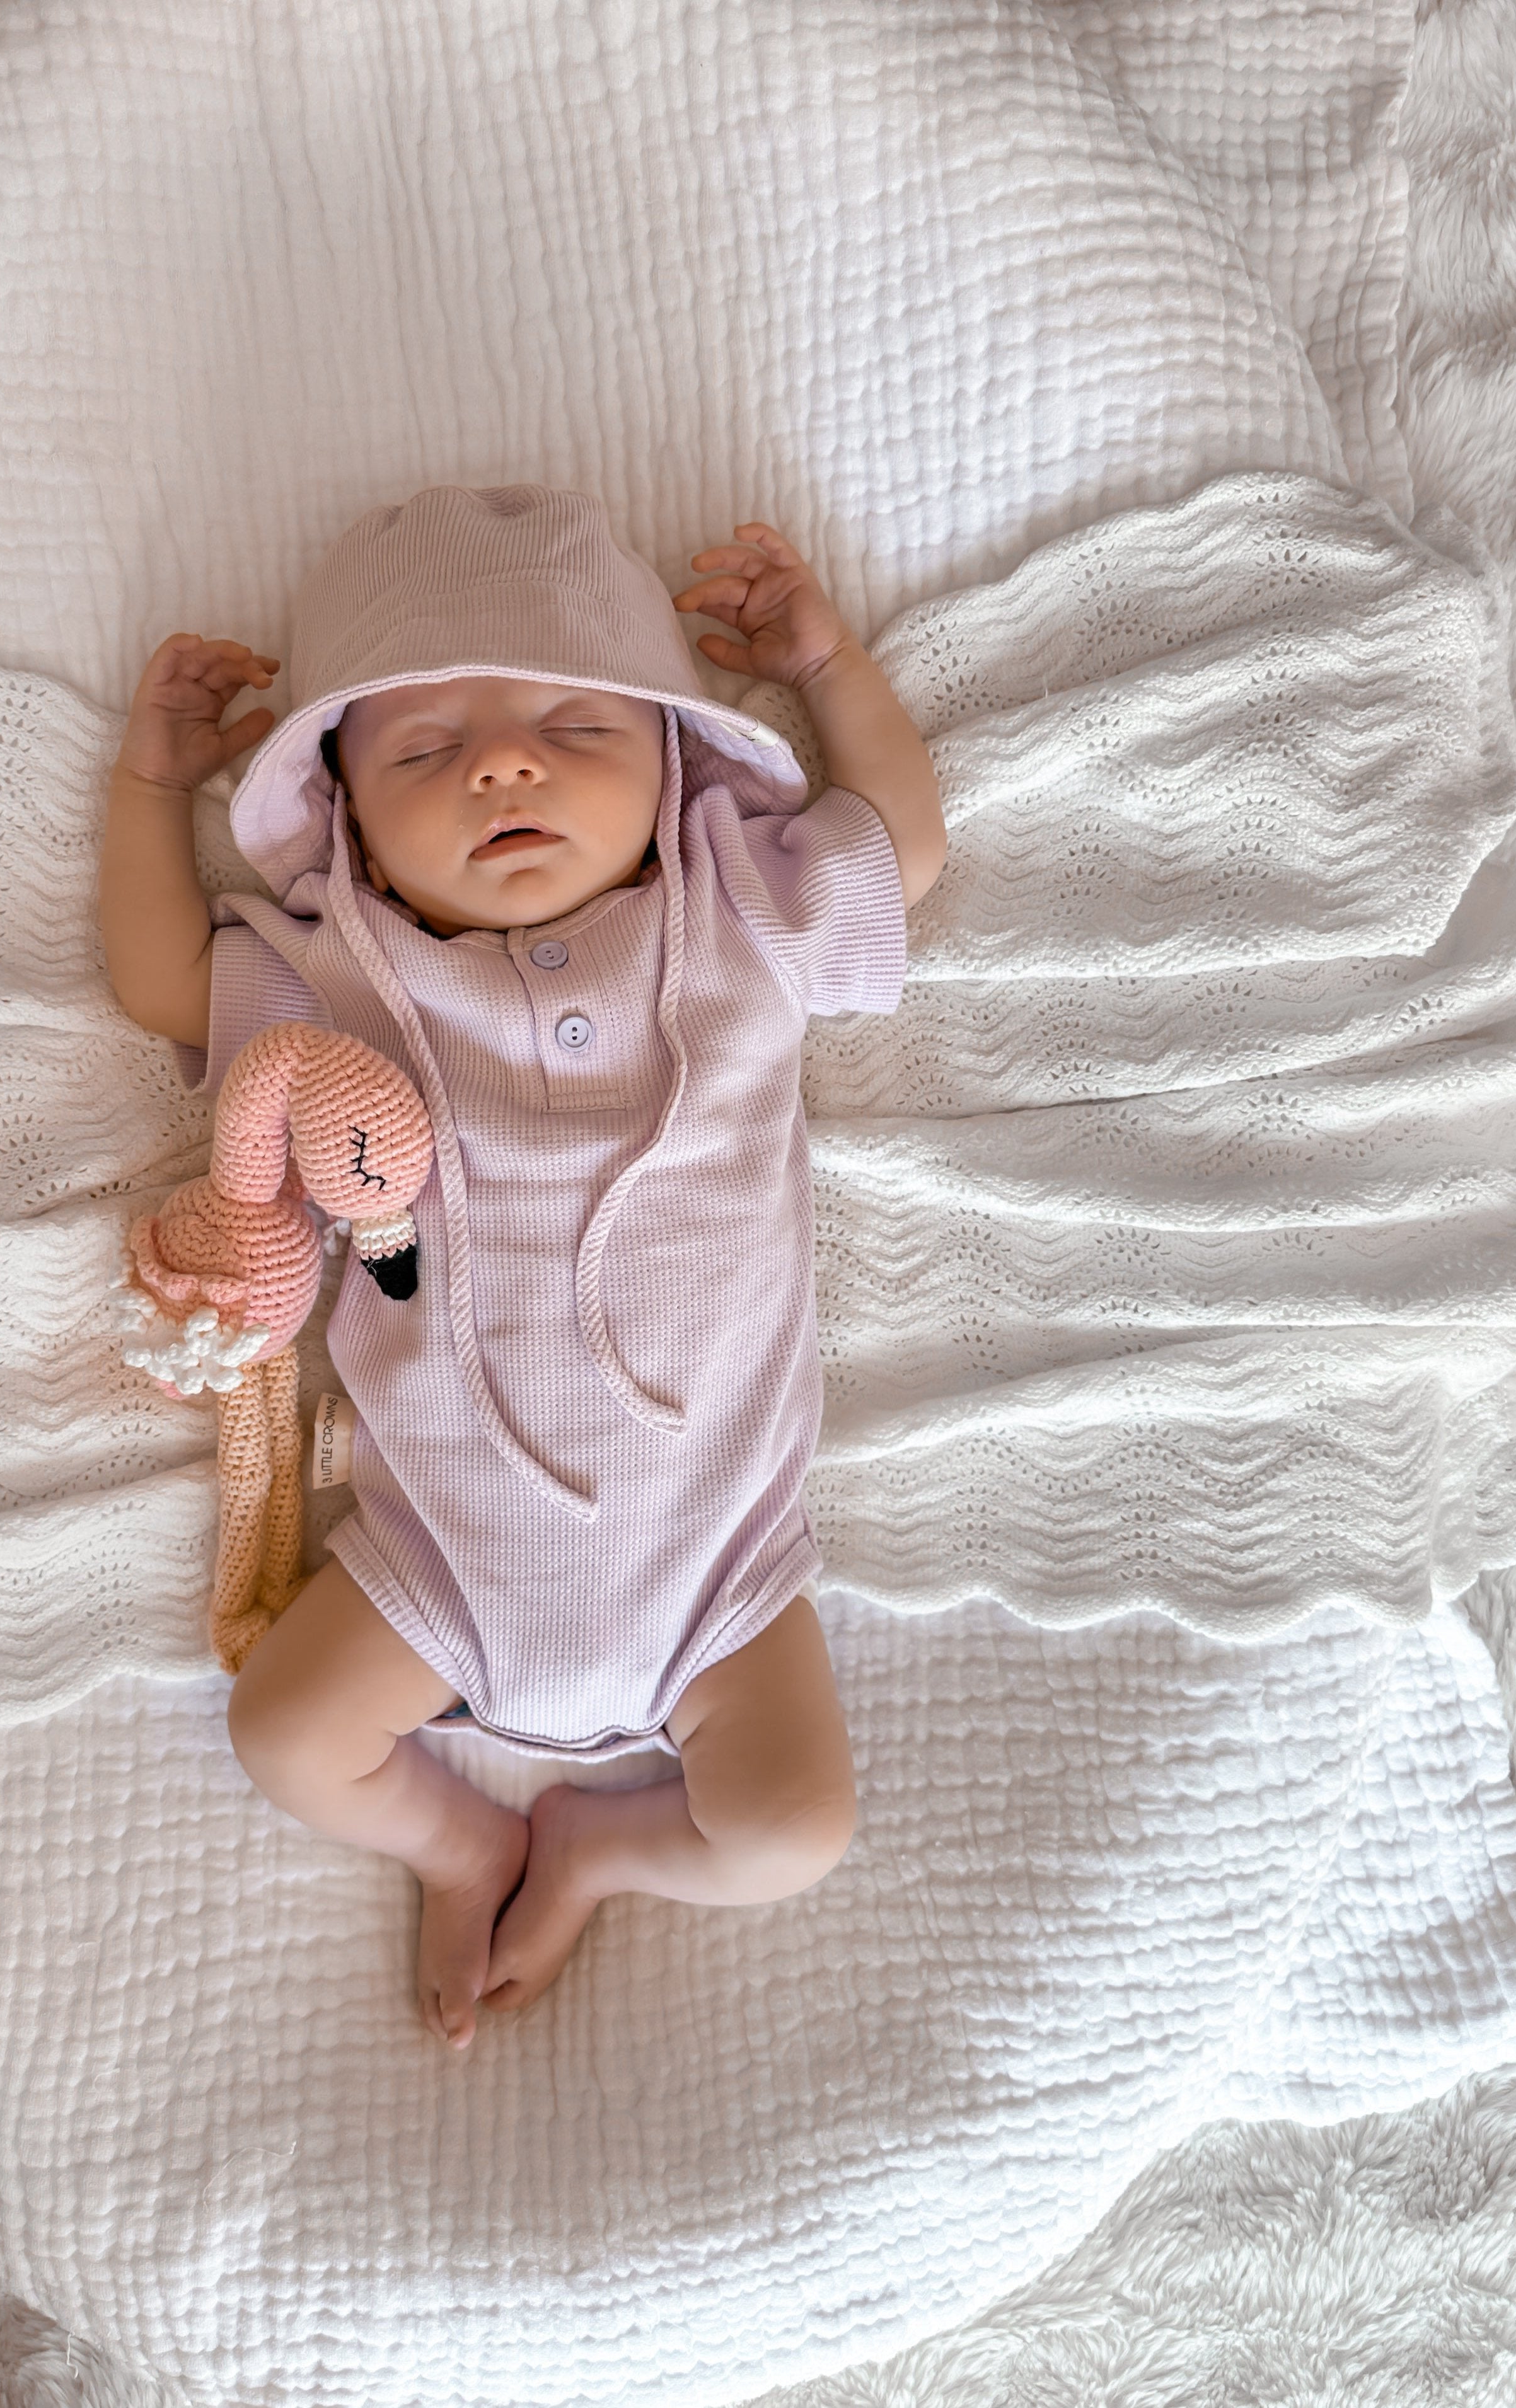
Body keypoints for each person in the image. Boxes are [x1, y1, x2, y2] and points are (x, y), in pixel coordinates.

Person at [98, 486, 946, 2051]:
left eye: (579, 727)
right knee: (289, 1735)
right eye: (424, 748)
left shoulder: (736, 909)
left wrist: (828, 669)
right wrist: (152, 789)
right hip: (437, 1574)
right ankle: (465, 1842)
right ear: (345, 812)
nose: (505, 761)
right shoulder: (337, 968)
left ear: (677, 764)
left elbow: (901, 846)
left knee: (786, 1832)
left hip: (723, 1584)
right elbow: (163, 981)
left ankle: (605, 1847)